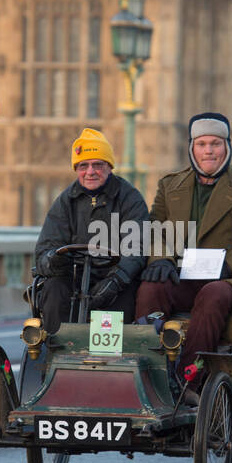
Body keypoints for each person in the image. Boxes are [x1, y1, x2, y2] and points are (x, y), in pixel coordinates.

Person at [135, 112, 232, 398]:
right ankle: (148, 378)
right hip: (183, 277)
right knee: (151, 287)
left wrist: (230, 266)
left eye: (215, 144)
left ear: (227, 147)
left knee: (213, 294)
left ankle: (189, 380)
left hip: (227, 283)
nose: (208, 151)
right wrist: (160, 259)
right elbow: (154, 231)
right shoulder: (170, 186)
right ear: (191, 148)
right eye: (202, 144)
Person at [33, 128, 148, 333]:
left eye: (98, 165)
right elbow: (45, 250)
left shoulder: (130, 198)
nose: (90, 172)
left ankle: (109, 357)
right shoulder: (65, 201)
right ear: (76, 169)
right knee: (54, 289)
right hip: (74, 278)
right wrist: (54, 261)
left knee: (123, 296)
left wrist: (115, 280)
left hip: (115, 279)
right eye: (83, 165)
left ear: (109, 167)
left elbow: (135, 249)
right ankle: (55, 349)